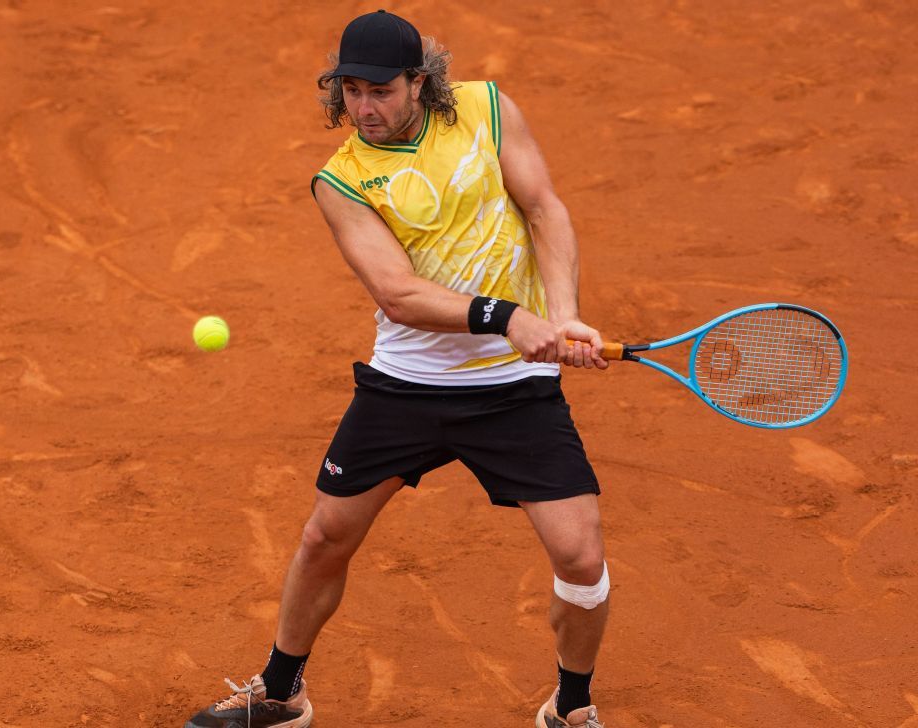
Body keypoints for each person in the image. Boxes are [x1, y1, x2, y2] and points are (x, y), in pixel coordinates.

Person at [185, 10, 611, 728]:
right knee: (326, 535)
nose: (363, 108)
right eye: (349, 91)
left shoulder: (487, 110)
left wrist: (563, 313)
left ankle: (572, 706)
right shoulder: (342, 181)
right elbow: (398, 294)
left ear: (421, 82)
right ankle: (282, 692)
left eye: (379, 90)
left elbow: (543, 208)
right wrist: (509, 316)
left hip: (511, 389)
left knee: (580, 554)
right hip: (407, 386)